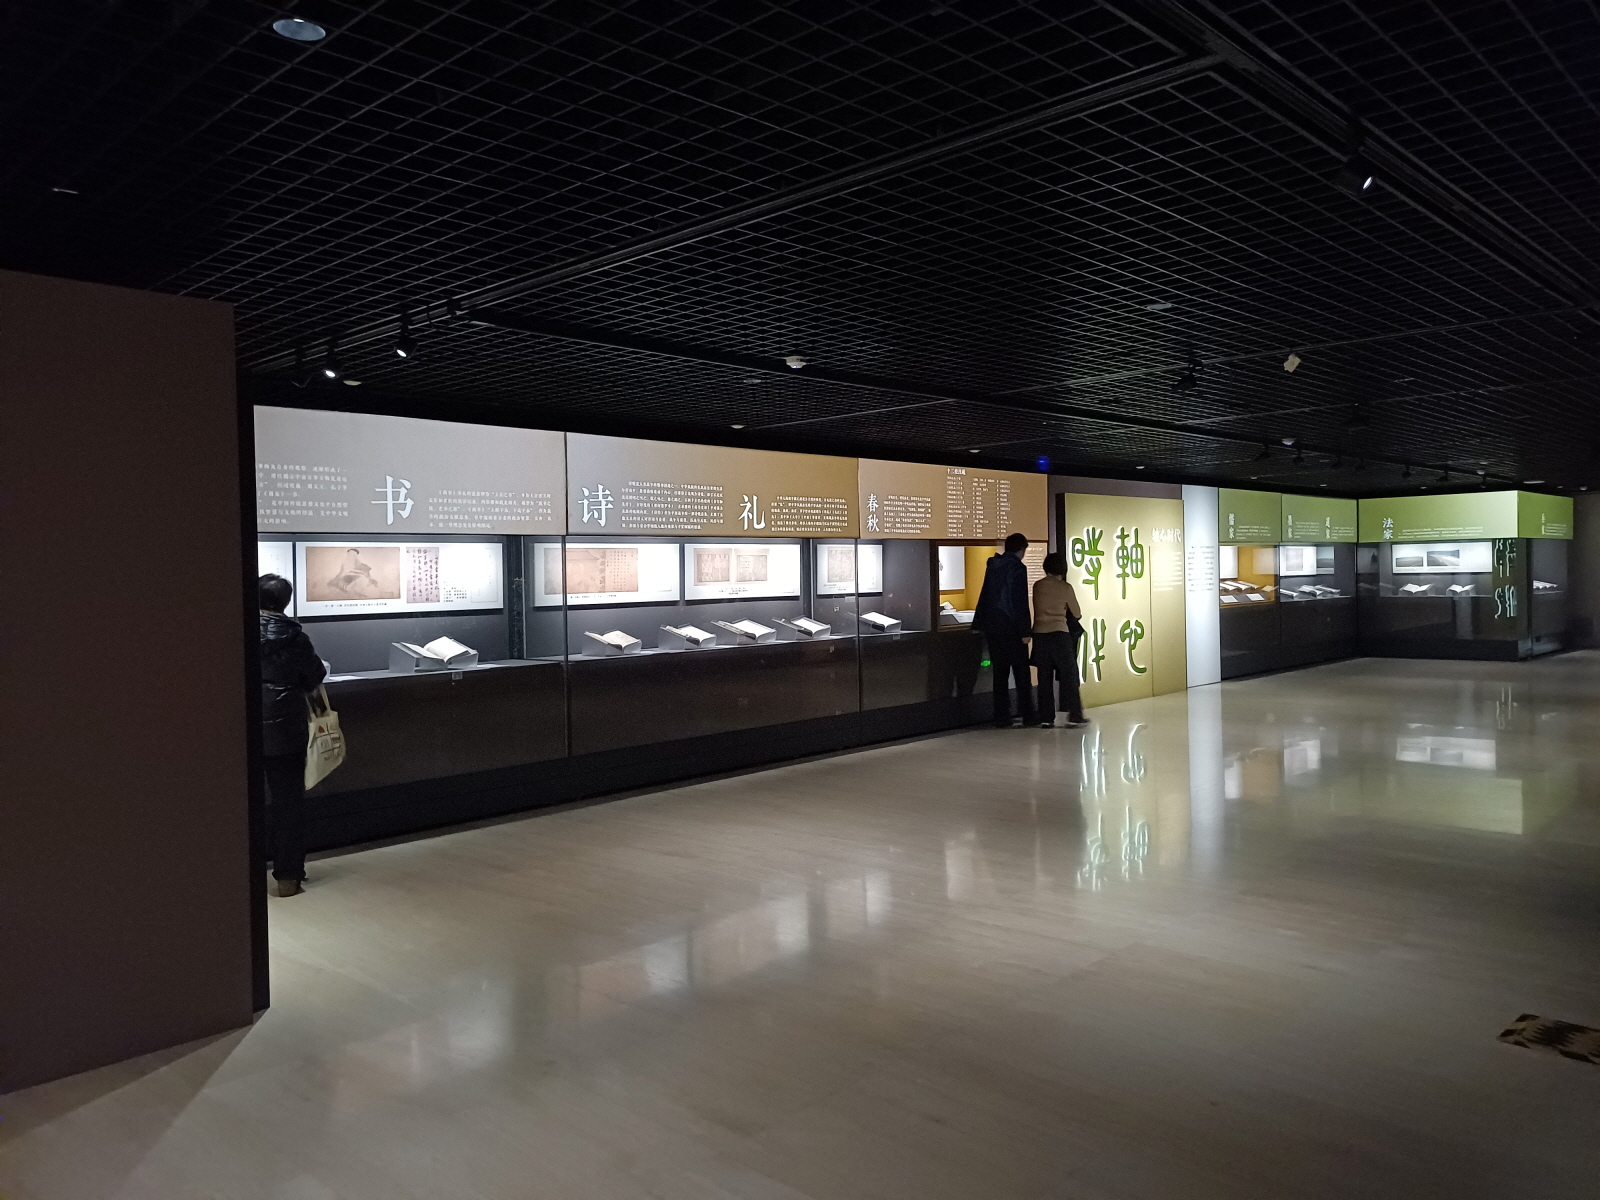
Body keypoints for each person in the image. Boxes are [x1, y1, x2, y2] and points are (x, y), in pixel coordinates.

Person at [258, 574, 326, 897]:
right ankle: (287, 877)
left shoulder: (237, 631)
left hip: (244, 730)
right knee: (288, 804)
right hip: (286, 730)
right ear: (286, 602)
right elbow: (315, 675)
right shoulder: (296, 637)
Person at [973, 532, 1035, 727]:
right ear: (1021, 549)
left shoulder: (993, 565)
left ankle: (1001, 716)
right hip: (1012, 628)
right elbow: (1019, 602)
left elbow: (985, 595)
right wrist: (1025, 631)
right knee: (1021, 673)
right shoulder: (1018, 568)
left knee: (1000, 674)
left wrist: (979, 623)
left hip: (994, 629)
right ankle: (1028, 715)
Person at [1031, 552, 1089, 729]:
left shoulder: (1038, 586)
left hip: (1040, 635)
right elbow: (1077, 613)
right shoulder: (1066, 588)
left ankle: (1046, 717)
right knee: (1069, 675)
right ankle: (1075, 715)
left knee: (1044, 676)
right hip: (1059, 634)